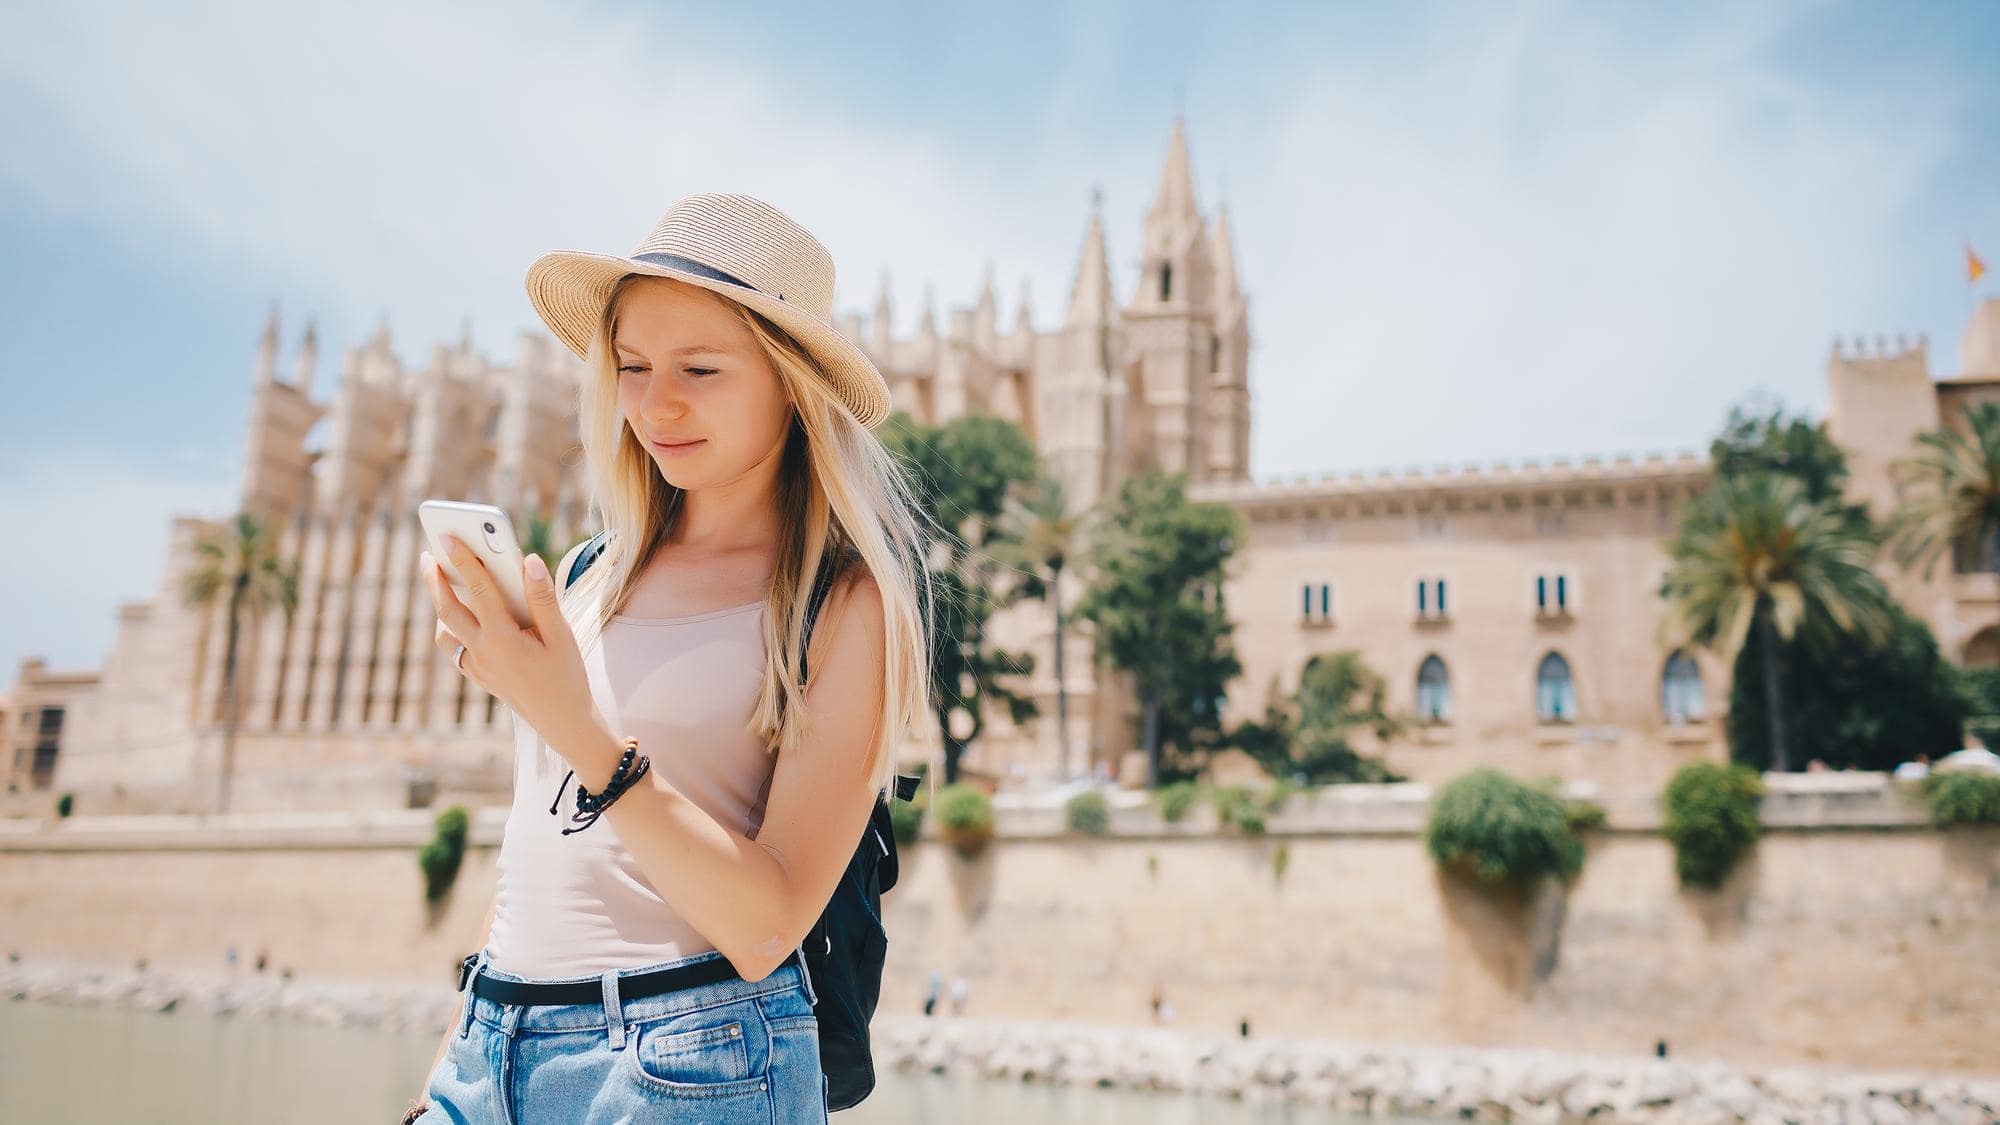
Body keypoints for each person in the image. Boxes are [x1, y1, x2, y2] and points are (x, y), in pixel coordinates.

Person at [407, 193, 933, 1123]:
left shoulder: (844, 604)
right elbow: (539, 858)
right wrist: (451, 1069)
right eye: (633, 366)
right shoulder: (583, 573)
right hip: (490, 1054)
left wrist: (570, 719)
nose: (656, 404)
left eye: (699, 366)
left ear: (791, 381)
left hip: (690, 1067)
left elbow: (769, 923)